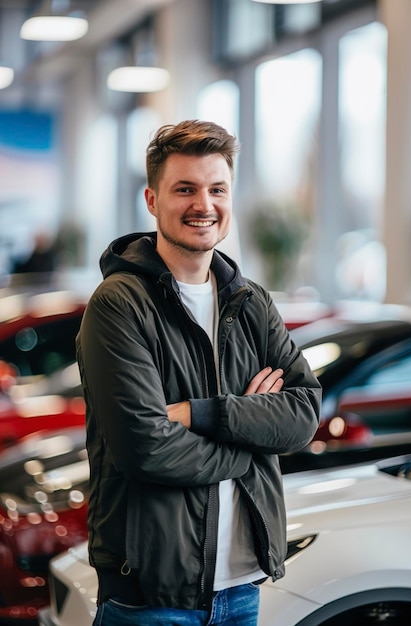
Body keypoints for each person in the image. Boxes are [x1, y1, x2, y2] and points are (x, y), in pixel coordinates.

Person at [76, 119, 321, 626]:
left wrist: (197, 414)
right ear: (151, 199)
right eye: (184, 189)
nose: (203, 205)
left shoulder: (250, 301)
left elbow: (302, 415)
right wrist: (251, 440)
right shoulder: (119, 305)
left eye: (217, 189)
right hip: (150, 596)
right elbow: (145, 447)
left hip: (240, 589)